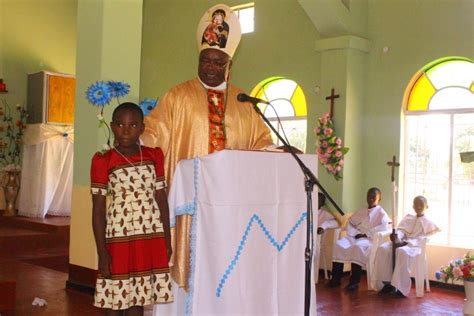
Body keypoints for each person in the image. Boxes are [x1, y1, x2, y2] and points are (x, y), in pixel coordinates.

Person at [142, 4, 273, 290]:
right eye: (206, 61)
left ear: (229, 65)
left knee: (226, 268)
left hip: (231, 199)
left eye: (218, 62)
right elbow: (155, 131)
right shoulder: (178, 96)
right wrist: (133, 139)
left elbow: (263, 142)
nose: (211, 68)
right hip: (192, 199)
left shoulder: (243, 102)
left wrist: (280, 152)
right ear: (198, 59)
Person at [91, 103, 173, 314]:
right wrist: (102, 252)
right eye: (120, 124)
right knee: (116, 299)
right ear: (112, 126)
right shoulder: (104, 160)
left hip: (149, 236)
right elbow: (98, 210)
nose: (126, 130)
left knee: (139, 296)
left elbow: (161, 199)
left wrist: (167, 239)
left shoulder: (154, 156)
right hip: (118, 237)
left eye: (133, 125)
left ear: (142, 128)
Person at [374, 195, 440, 297]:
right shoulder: (408, 218)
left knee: (402, 251)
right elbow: (401, 231)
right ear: (413, 206)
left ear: (427, 206)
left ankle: (400, 289)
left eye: (421, 204)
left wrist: (406, 243)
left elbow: (424, 239)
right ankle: (386, 284)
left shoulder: (429, 223)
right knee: (383, 248)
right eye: (416, 204)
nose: (418, 207)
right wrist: (396, 237)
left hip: (414, 247)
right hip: (400, 242)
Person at [327, 187, 391, 291]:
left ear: (379, 199)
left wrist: (366, 234)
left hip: (368, 240)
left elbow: (384, 228)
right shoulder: (362, 210)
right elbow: (350, 223)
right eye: (368, 196)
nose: (370, 198)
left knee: (357, 247)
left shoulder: (381, 213)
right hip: (353, 236)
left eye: (373, 197)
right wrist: (355, 233)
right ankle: (335, 279)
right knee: (338, 245)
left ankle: (354, 282)